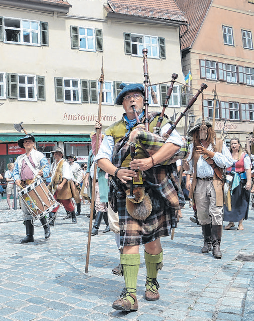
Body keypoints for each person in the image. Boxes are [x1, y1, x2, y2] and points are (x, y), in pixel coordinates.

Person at [96, 83, 184, 311]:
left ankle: (152, 282)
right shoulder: (114, 129)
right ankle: (130, 295)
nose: (133, 100)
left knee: (153, 242)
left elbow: (177, 144)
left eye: (137, 96)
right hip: (128, 192)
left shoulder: (158, 121)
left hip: (154, 189)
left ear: (144, 100)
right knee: (129, 241)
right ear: (122, 104)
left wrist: (150, 162)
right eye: (128, 98)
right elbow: (101, 158)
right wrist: (116, 171)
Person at [185, 121, 233, 259]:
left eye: (204, 130)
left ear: (208, 131)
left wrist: (210, 153)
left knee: (216, 212)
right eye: (199, 130)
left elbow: (228, 162)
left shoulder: (218, 144)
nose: (202, 132)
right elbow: (189, 166)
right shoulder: (194, 146)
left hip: (215, 181)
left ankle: (216, 244)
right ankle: (207, 241)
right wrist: (187, 173)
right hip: (199, 183)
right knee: (202, 214)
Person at [13, 134, 50, 243]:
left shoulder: (39, 155)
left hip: (35, 185)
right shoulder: (19, 158)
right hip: (24, 186)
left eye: (29, 141)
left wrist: (43, 172)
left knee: (39, 208)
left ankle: (46, 228)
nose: (27, 143)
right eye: (25, 142)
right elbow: (15, 172)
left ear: (33, 143)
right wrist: (16, 178)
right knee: (26, 212)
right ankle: (29, 235)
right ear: (23, 145)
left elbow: (46, 168)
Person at [84, 132, 110, 235]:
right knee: (100, 204)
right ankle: (108, 224)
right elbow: (89, 166)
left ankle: (95, 227)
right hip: (93, 181)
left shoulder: (105, 152)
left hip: (102, 180)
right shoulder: (91, 152)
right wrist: (86, 178)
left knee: (100, 203)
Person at [224, 138, 251, 231]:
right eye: (232, 143)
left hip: (240, 180)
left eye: (235, 143)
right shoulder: (227, 155)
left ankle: (240, 222)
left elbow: (248, 169)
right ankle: (230, 222)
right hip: (229, 180)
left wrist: (249, 181)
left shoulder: (244, 156)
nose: (233, 145)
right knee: (229, 201)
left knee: (241, 200)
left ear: (239, 144)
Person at [48, 147, 77, 225]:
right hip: (54, 186)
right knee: (53, 202)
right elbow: (51, 174)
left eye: (58, 153)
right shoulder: (54, 164)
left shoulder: (64, 163)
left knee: (67, 203)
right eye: (55, 153)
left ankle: (73, 215)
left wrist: (61, 184)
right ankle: (51, 219)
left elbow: (66, 175)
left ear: (61, 155)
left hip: (63, 187)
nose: (56, 155)